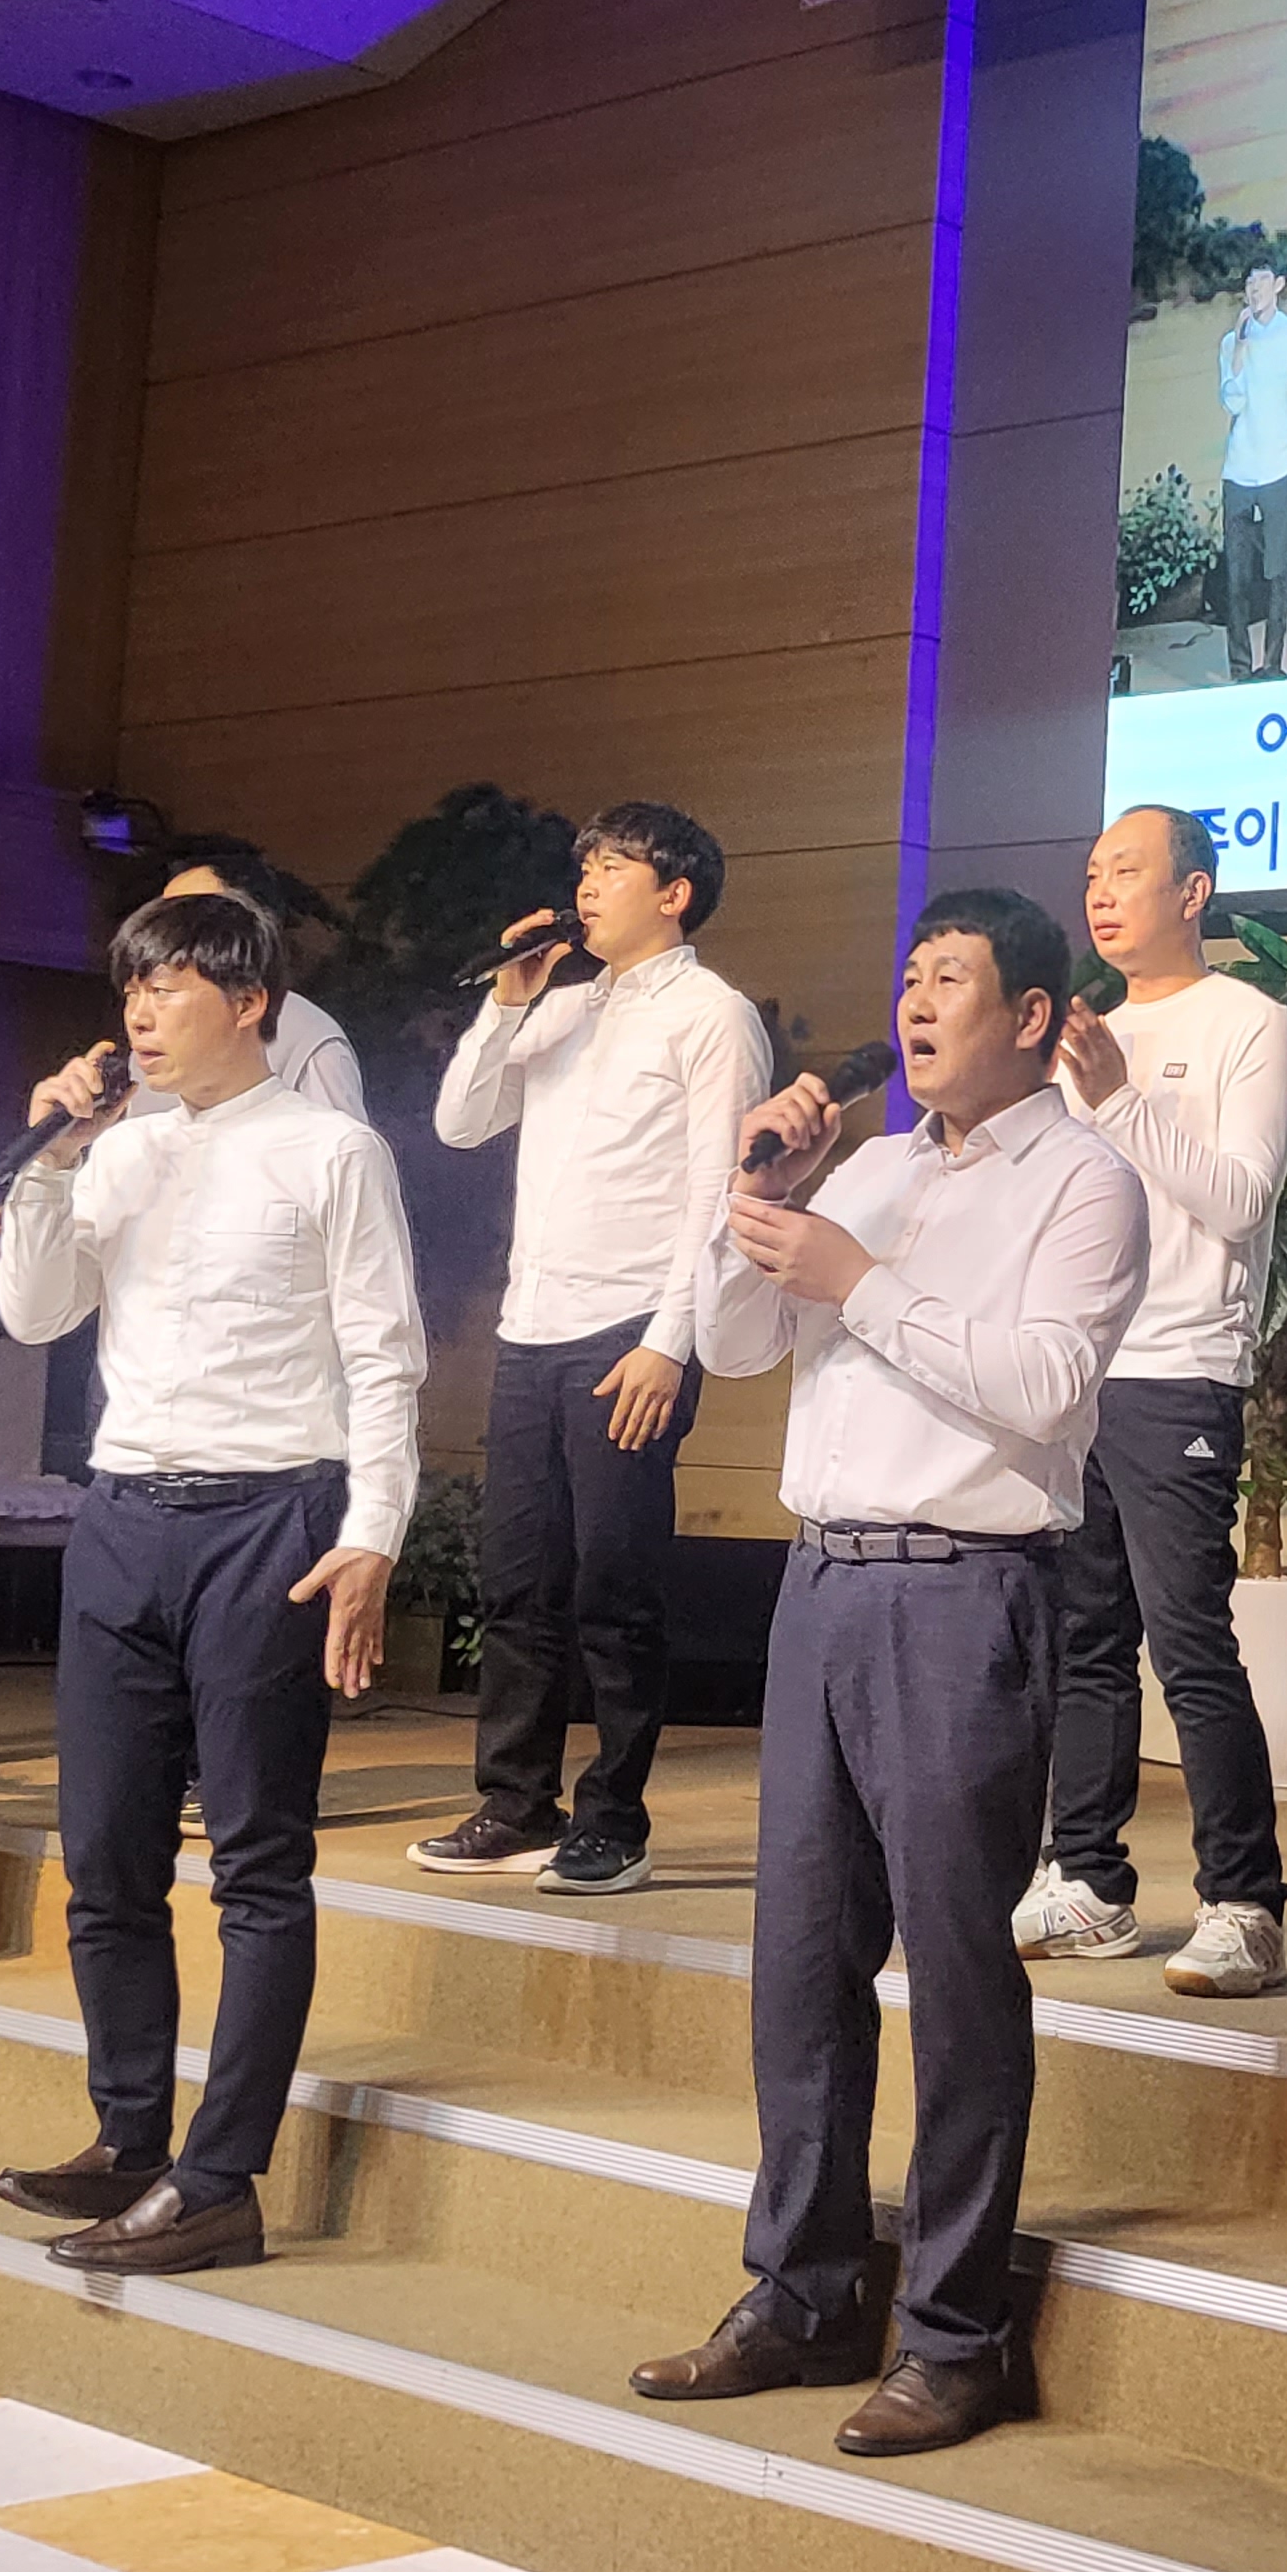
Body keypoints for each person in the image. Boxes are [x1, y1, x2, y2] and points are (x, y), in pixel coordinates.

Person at [632, 888, 1147, 2460]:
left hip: (967, 1595)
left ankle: (956, 2334)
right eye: (909, 977)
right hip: (824, 1588)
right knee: (802, 1965)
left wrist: (857, 1276)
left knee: (959, 1976)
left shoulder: (1087, 1183)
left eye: (952, 981)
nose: (915, 1005)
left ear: (1034, 1016)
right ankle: (799, 2294)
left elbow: (1046, 1385)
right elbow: (737, 1343)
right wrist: (758, 1193)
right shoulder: (863, 1168)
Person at [0, 891, 425, 2275]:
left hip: (271, 1518)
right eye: (130, 988)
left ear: (250, 1004)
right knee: (105, 1854)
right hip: (122, 1512)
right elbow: (33, 1313)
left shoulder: (332, 1149)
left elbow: (385, 1354)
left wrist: (374, 1531)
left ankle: (220, 2178)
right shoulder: (116, 1149)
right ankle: (129, 2137)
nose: (139, 1011)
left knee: (255, 1861)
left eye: (169, 986)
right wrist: (52, 1161)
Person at [416, 803, 770, 1893]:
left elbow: (720, 1191)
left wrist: (672, 1342)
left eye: (614, 867)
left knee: (614, 1588)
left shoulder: (713, 1015)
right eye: (586, 867)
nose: (588, 884)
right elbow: (459, 1124)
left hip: (631, 1334)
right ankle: (515, 1803)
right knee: (517, 1584)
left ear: (674, 894)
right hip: (532, 1329)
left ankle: (614, 1815)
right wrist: (505, 1002)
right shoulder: (560, 1006)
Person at [1023, 807, 1287, 1995]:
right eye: (1091, 872)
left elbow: (1239, 1199)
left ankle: (1244, 1903)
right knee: (1083, 1641)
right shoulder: (1085, 1035)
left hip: (1181, 1364)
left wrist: (1120, 1098)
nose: (1101, 893)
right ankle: (1086, 1881)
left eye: (1126, 871)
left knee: (1188, 1643)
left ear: (1192, 892)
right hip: (1077, 1372)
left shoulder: (1250, 1021)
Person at [126, 850, 367, 1124]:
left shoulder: (307, 1037)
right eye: (162, 916)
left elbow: (337, 1143)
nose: (167, 930)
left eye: (191, 915)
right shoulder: (150, 1042)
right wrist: (83, 1137)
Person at [1215, 267, 1287, 681]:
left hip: (1278, 466)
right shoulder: (1232, 341)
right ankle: (1240, 669)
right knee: (1236, 576)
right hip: (1239, 469)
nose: (1254, 289)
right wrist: (1239, 352)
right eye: (1249, 283)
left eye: (1262, 281)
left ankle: (1273, 664)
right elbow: (1232, 403)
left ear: (1278, 285)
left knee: (1277, 570)